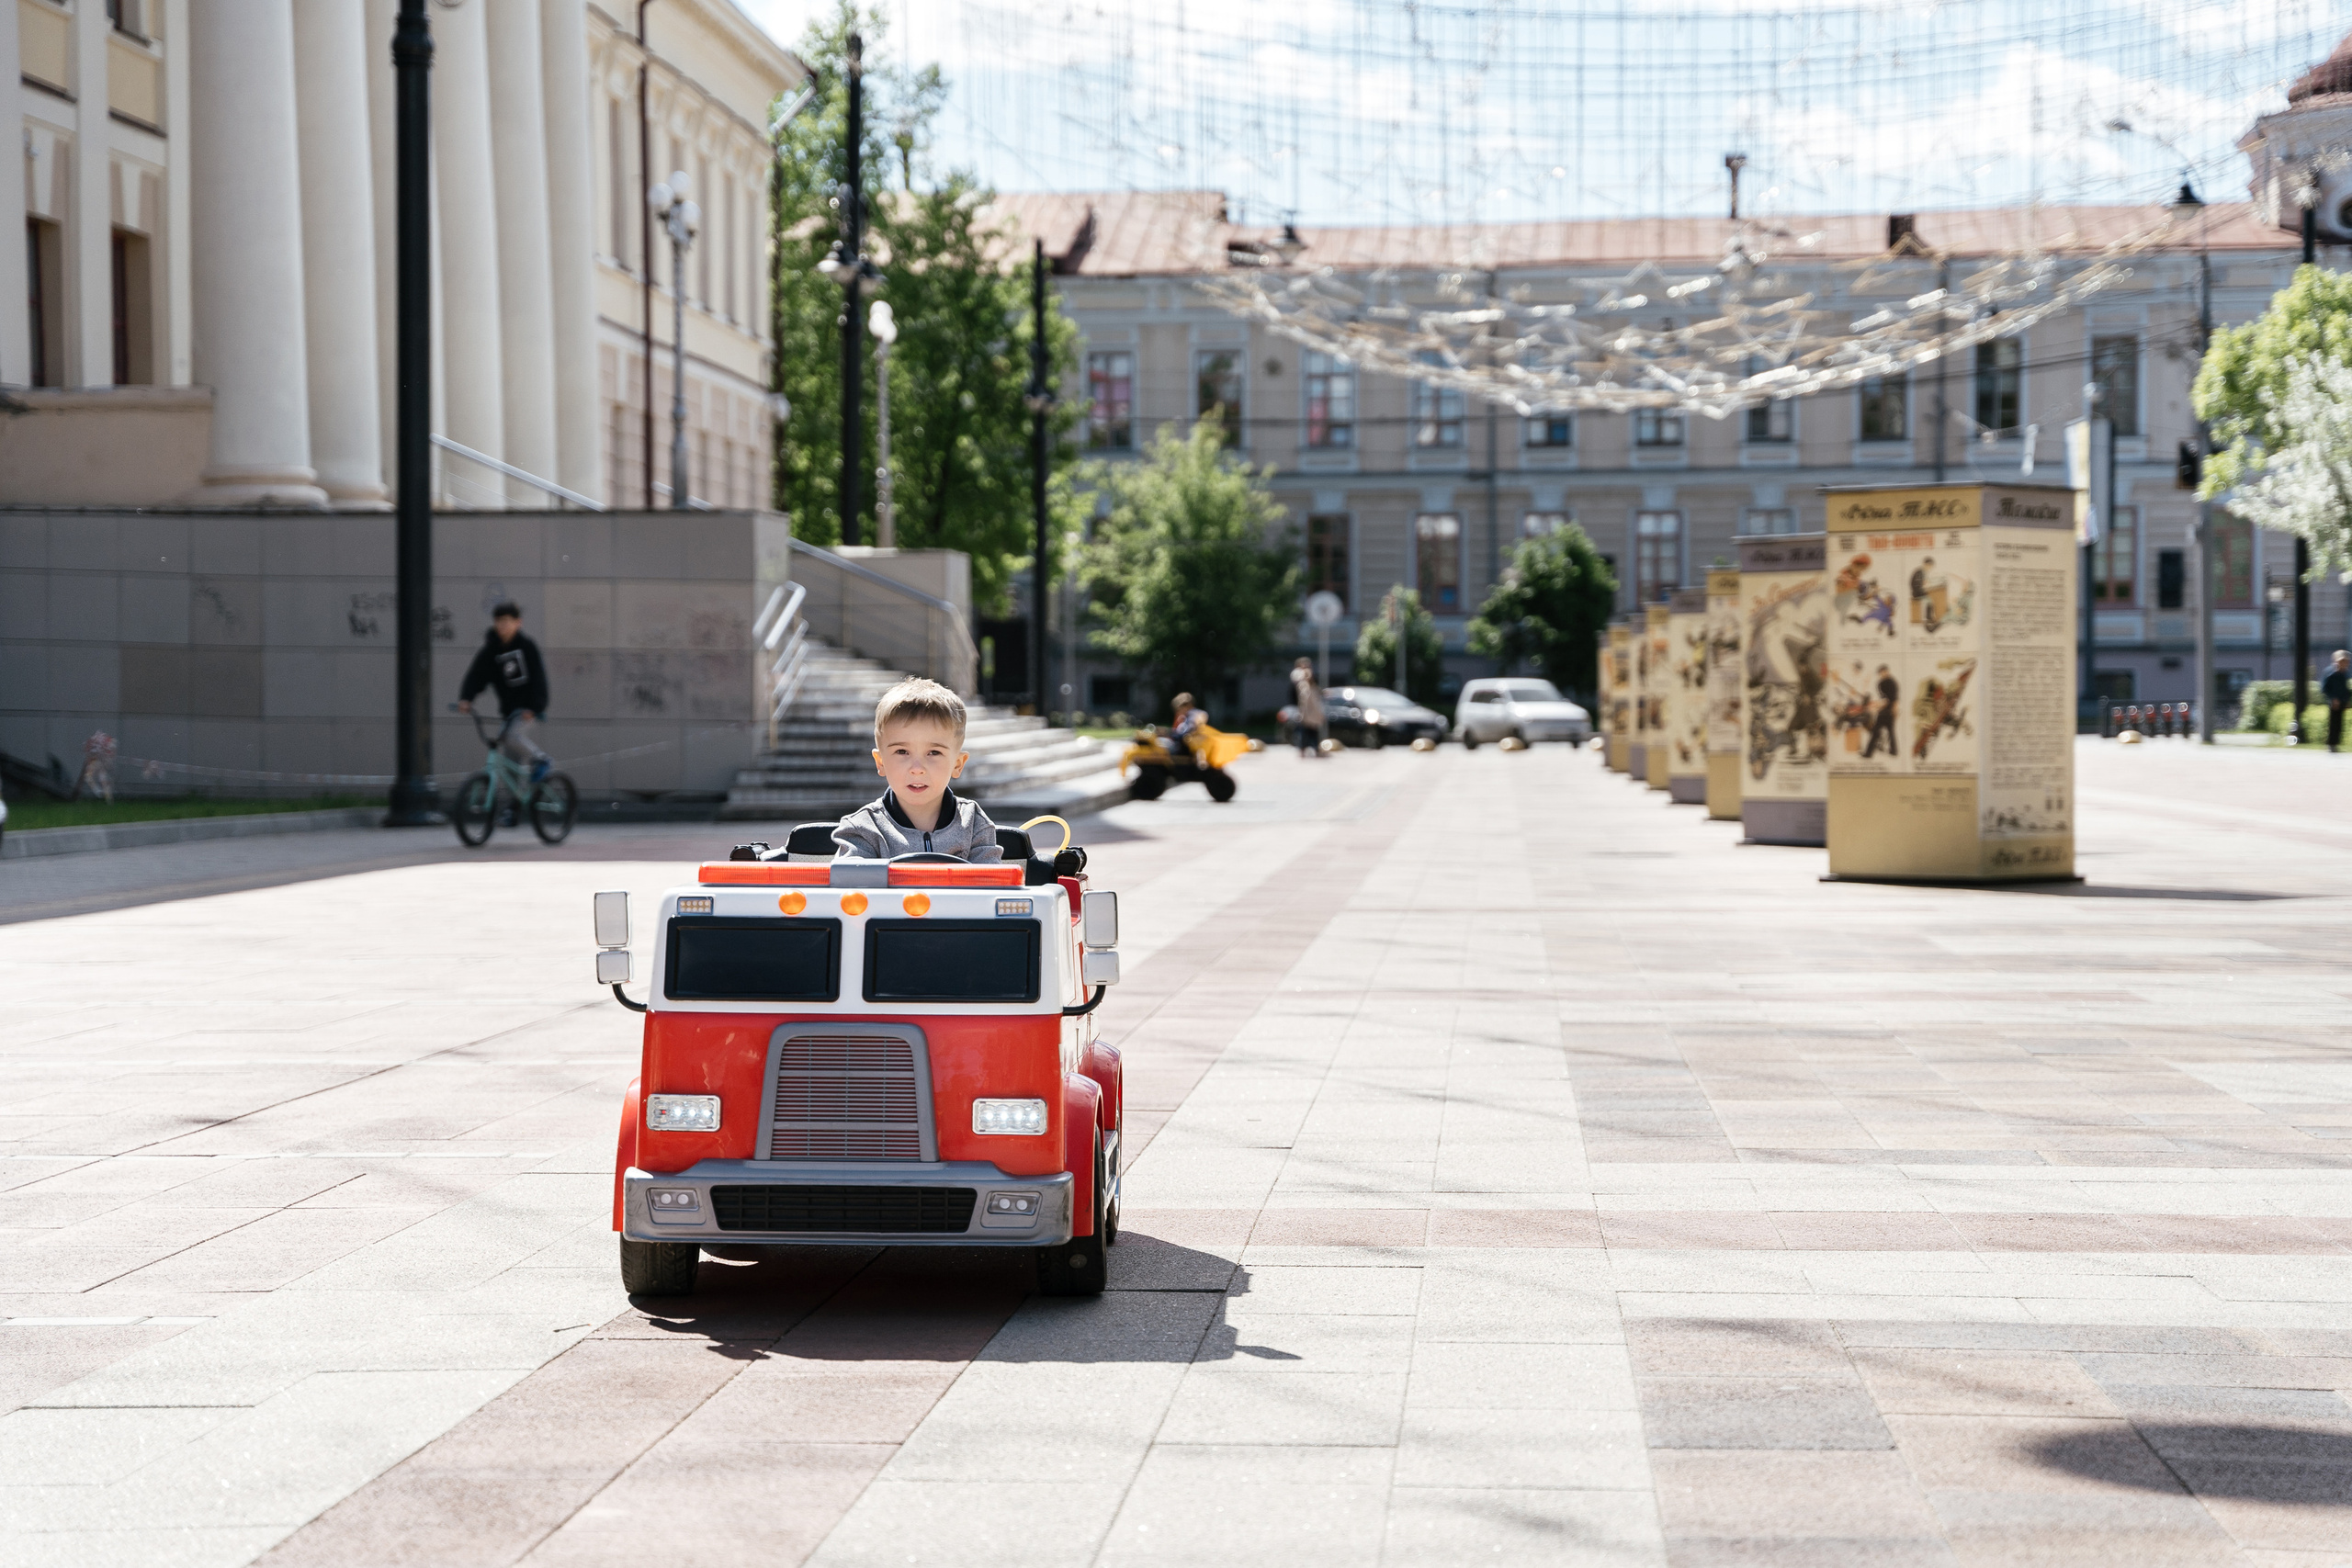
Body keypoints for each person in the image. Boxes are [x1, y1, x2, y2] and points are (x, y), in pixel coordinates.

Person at [833, 677, 1003, 860]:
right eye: (902, 751)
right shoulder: (862, 829)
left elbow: (989, 876)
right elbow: (852, 876)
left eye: (934, 753)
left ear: (958, 764)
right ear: (880, 762)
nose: (917, 768)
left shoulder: (974, 824)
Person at [457, 601, 551, 782]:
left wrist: (535, 707)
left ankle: (541, 759)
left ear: (518, 623)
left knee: (512, 736)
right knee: (509, 764)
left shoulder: (527, 646)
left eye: (507, 621)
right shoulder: (491, 650)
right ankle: (516, 799)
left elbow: (538, 678)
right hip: (509, 712)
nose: (502, 626)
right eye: (499, 621)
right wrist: (466, 698)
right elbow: (477, 675)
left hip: (528, 710)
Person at [1289, 658, 1326, 756]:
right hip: (1302, 710)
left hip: (1312, 711)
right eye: (1304, 665)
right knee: (1304, 730)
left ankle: (1315, 749)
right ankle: (1303, 749)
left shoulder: (1312, 682)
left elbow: (1316, 694)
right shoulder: (1299, 678)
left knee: (1312, 731)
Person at [1863, 664, 1900, 758]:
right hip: (1883, 711)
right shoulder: (1880, 683)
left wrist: (1895, 710)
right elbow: (1882, 698)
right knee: (1879, 731)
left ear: (1887, 671)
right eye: (1880, 673)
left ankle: (1869, 753)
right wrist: (1876, 706)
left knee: (1888, 732)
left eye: (1883, 672)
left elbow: (1894, 699)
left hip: (1889, 711)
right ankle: (1893, 751)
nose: (1882, 674)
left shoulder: (1892, 683)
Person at [2325, 650, 2352, 752]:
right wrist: (2333, 698)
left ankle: (2335, 744)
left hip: (2342, 702)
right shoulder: (2331, 673)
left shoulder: (2345, 674)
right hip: (2334, 703)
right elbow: (2325, 688)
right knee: (2333, 724)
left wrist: (2347, 700)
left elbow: (2345, 689)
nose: (2345, 663)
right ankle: (2331, 744)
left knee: (2340, 724)